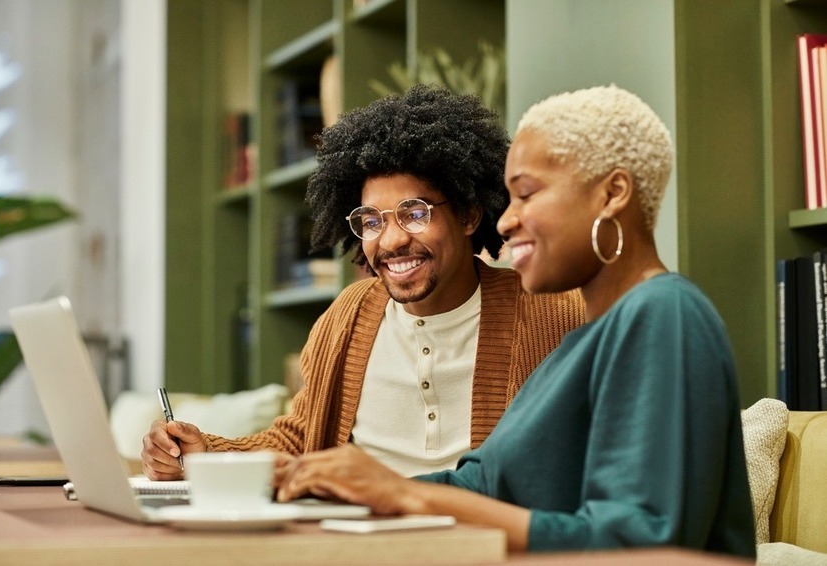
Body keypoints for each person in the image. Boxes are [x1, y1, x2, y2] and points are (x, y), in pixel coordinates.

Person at [274, 85, 757, 558]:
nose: (505, 221)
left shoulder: (663, 312)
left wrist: (409, 497)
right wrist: (332, 483)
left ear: (612, 194)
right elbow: (476, 486)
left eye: (527, 194)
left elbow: (644, 544)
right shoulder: (576, 350)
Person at [141, 85, 585, 480]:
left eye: (415, 213)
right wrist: (204, 454)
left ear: (469, 215)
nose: (390, 241)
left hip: (482, 541)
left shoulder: (553, 313)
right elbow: (301, 438)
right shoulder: (348, 316)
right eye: (371, 221)